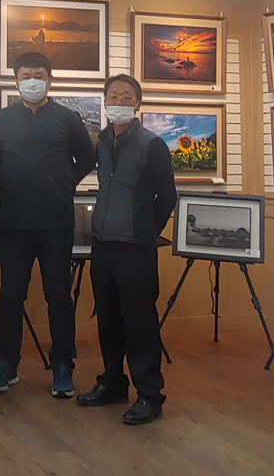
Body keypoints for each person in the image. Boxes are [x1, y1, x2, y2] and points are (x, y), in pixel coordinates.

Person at [0, 51, 96, 399]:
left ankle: (62, 366)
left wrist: (63, 182)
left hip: (56, 224)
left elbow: (87, 159)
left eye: (38, 75)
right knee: (10, 297)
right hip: (14, 225)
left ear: (50, 79)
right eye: (25, 75)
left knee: (59, 298)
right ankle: (6, 364)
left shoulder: (67, 118)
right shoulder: (2, 120)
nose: (32, 81)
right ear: (16, 80)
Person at [76, 74, 177, 425]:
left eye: (126, 96)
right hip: (103, 244)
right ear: (104, 101)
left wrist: (148, 230)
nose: (118, 101)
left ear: (137, 103)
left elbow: (167, 197)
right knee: (108, 319)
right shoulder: (102, 142)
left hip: (136, 247)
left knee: (140, 323)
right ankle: (112, 383)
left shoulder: (152, 145)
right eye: (113, 96)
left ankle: (149, 394)